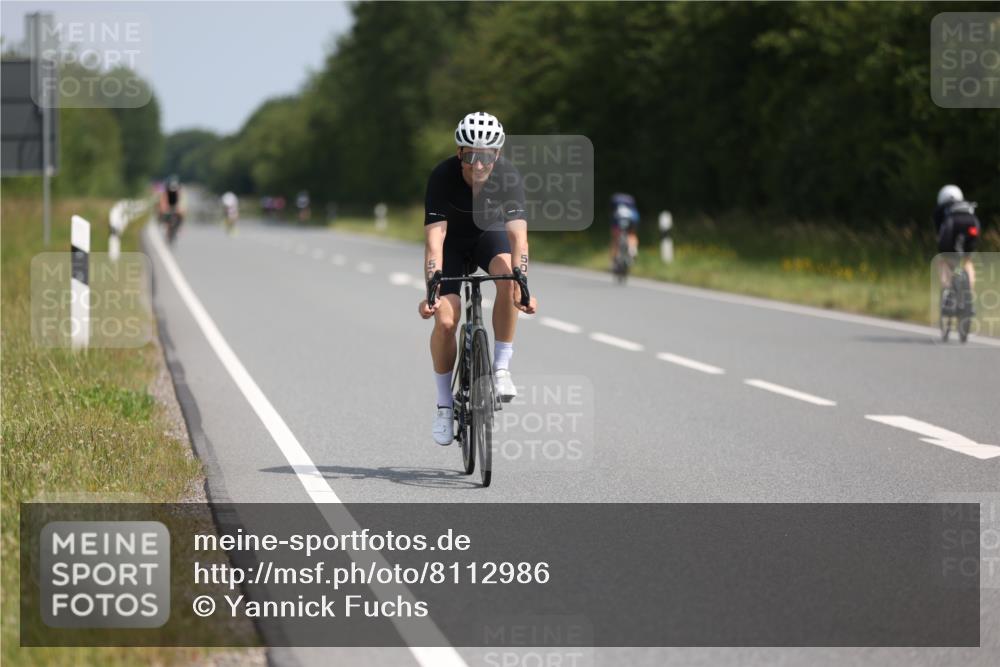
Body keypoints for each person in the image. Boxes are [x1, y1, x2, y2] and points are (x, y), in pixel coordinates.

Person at [418, 111, 538, 446]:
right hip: (451, 245)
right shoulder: (442, 176)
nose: (478, 165)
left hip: (488, 236)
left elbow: (519, 240)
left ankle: (500, 368)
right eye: (470, 156)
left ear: (496, 155)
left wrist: (524, 284)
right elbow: (434, 242)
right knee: (444, 320)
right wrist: (433, 290)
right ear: (459, 153)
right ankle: (444, 406)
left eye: (486, 157)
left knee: (510, 281)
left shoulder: (508, 177)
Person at [934, 184, 981, 293]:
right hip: (972, 226)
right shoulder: (966, 205)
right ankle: (970, 293)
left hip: (952, 226)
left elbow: (940, 233)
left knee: (943, 261)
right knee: (967, 261)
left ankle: (947, 290)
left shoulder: (941, 209)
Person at [609, 192, 639, 266]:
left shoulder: (616, 202)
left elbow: (612, 215)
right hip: (632, 219)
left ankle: (615, 258)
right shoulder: (630, 202)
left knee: (615, 238)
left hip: (617, 219)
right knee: (632, 234)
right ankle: (632, 250)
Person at [159, 175, 184, 239]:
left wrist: (180, 209)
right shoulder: (165, 192)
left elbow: (181, 201)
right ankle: (165, 225)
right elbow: (163, 200)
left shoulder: (179, 192)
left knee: (181, 214)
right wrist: (163, 208)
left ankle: (179, 227)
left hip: (175, 206)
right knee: (163, 214)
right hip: (168, 206)